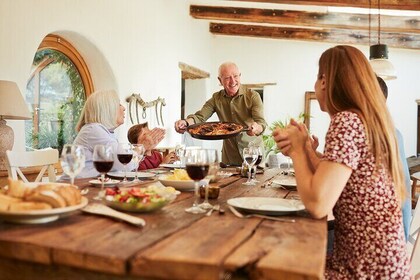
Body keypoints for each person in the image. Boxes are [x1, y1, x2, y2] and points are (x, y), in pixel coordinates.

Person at [272, 45, 411, 279]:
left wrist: (297, 152)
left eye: (316, 79)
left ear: (324, 81)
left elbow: (317, 204)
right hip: (384, 267)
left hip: (363, 272)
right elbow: (335, 180)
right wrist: (305, 148)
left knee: (270, 264)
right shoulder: (366, 121)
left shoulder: (346, 121)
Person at [174, 62, 267, 166]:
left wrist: (256, 128)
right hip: (230, 157)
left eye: (235, 76)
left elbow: (261, 123)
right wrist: (185, 122)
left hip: (253, 155)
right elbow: (200, 117)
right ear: (220, 80)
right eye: (227, 78)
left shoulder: (253, 96)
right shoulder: (216, 98)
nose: (233, 81)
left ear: (240, 76)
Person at [377, 76, 412, 241]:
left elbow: (403, 185)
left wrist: (404, 233)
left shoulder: (392, 135)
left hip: (382, 236)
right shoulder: (394, 133)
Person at [73, 90, 135, 177]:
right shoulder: (94, 129)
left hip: (89, 185)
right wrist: (140, 149)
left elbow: (124, 167)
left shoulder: (104, 132)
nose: (124, 108)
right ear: (108, 109)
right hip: (78, 186)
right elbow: (124, 165)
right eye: (119, 104)